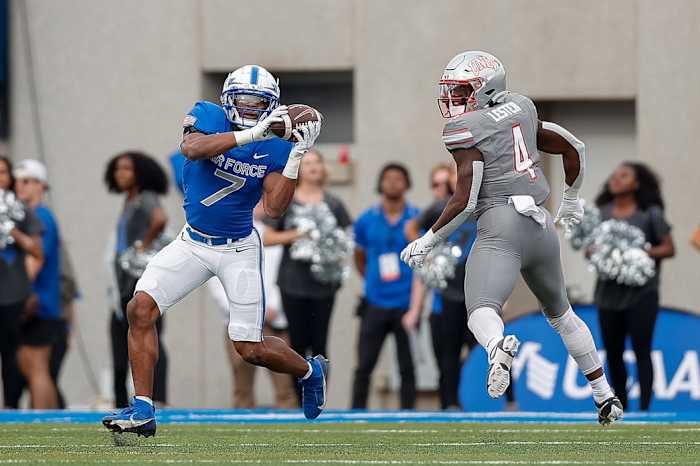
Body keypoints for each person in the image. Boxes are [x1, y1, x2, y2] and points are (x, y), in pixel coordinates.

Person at [102, 65, 326, 437]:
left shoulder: (277, 146)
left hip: (238, 247)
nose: (251, 110)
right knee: (140, 308)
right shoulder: (208, 114)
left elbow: (273, 209)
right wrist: (250, 134)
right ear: (227, 100)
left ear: (272, 105)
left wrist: (297, 153)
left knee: (248, 348)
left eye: (259, 105)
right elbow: (192, 148)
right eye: (244, 102)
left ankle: (308, 370)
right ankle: (143, 408)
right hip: (193, 242)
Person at [401, 51, 622, 424]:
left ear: (485, 89)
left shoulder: (465, 129)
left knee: (481, 310)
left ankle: (496, 345)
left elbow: (467, 199)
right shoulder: (521, 107)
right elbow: (574, 147)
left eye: (461, 92)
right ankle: (605, 396)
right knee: (563, 315)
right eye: (451, 93)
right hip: (541, 225)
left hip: (501, 224)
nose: (454, 101)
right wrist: (570, 199)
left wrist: (429, 239)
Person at [264, 149, 351, 403]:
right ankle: (301, 399)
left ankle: (320, 397)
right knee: (297, 343)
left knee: (321, 342)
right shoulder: (288, 202)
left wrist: (333, 252)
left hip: (324, 285)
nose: (313, 167)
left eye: (317, 163)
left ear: (323, 169)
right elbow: (268, 237)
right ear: (300, 170)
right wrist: (298, 234)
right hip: (293, 283)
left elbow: (347, 240)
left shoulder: (334, 204)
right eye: (308, 163)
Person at [593, 162, 674, 411]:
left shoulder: (650, 214)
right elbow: (590, 246)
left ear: (636, 184)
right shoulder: (601, 213)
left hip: (642, 294)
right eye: (614, 175)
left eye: (624, 176)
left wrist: (639, 253)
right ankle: (621, 406)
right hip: (608, 294)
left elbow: (668, 248)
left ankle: (645, 409)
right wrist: (598, 253)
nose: (616, 179)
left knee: (642, 350)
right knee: (613, 352)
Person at [404, 162, 480, 410]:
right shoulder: (441, 207)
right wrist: (425, 252)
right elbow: (412, 227)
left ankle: (506, 403)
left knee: (487, 349)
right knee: (448, 355)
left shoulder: (483, 203)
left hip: (478, 292)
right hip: (448, 294)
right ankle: (450, 405)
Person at [207, 202, 297, 409]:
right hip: (238, 321)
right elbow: (216, 282)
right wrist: (244, 309)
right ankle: (241, 437)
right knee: (242, 386)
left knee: (285, 387)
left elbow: (280, 275)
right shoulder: (222, 236)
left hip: (274, 322)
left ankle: (292, 436)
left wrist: (273, 307)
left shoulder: (272, 236)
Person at [104, 151, 170, 409]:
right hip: (123, 281)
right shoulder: (129, 201)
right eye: (118, 168)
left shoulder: (145, 197)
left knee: (148, 335)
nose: (121, 174)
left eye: (127, 169)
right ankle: (121, 403)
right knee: (121, 340)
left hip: (139, 280)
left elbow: (160, 219)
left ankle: (158, 398)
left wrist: (142, 246)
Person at [351, 163, 418, 410]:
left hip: (406, 302)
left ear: (407, 183)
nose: (392, 183)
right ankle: (356, 413)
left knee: (407, 365)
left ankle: (409, 414)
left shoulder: (416, 218)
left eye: (398, 179)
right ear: (380, 183)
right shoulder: (366, 220)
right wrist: (370, 278)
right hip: (375, 301)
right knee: (364, 365)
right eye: (387, 178)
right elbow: (359, 256)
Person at [13, 160, 64, 409]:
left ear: (40, 185)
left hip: (39, 303)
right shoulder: (29, 216)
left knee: (36, 367)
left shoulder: (40, 216)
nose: (19, 186)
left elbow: (37, 257)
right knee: (30, 365)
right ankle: (50, 418)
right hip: (37, 301)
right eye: (17, 181)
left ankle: (45, 418)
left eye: (26, 181)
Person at [0, 156, 44, 408]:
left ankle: (9, 407)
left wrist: (10, 229)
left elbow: (36, 250)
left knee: (11, 355)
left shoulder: (20, 210)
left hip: (11, 294)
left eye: (3, 172)